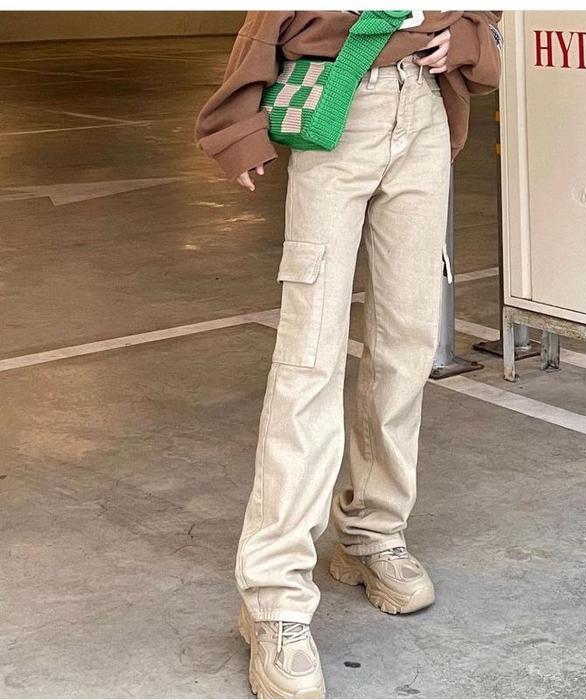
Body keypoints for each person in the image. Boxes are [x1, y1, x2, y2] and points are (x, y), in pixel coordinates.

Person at [195, 10, 502, 698]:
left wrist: (470, 38)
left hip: (424, 108)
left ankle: (372, 533)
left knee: (407, 342)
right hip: (339, 104)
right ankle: (273, 599)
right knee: (309, 355)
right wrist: (238, 121)